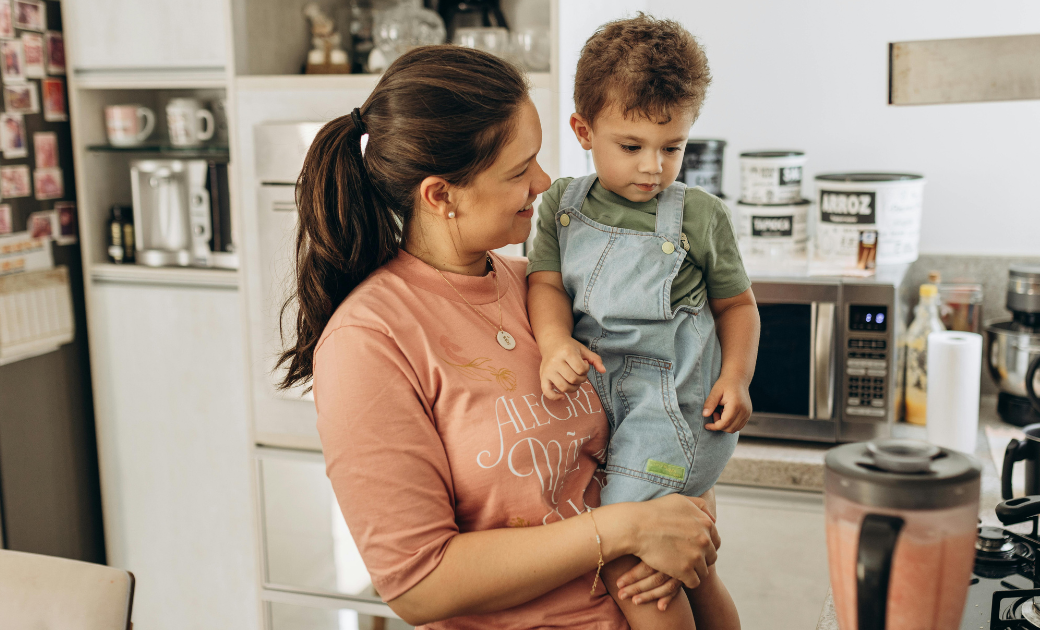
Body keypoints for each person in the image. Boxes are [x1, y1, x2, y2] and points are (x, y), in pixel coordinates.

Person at [277, 45, 722, 629]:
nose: (544, 182)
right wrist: (626, 529)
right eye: (519, 170)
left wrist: (683, 505)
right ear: (441, 196)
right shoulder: (370, 340)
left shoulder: (544, 289)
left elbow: (645, 420)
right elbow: (419, 583)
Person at [526, 15, 760, 630]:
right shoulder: (560, 205)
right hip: (604, 402)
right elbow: (545, 283)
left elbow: (738, 307)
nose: (654, 167)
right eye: (631, 146)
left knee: (632, 573)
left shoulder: (700, 215)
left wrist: (735, 379)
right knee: (690, 566)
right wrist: (554, 343)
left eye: (673, 146)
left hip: (673, 412)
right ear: (583, 130)